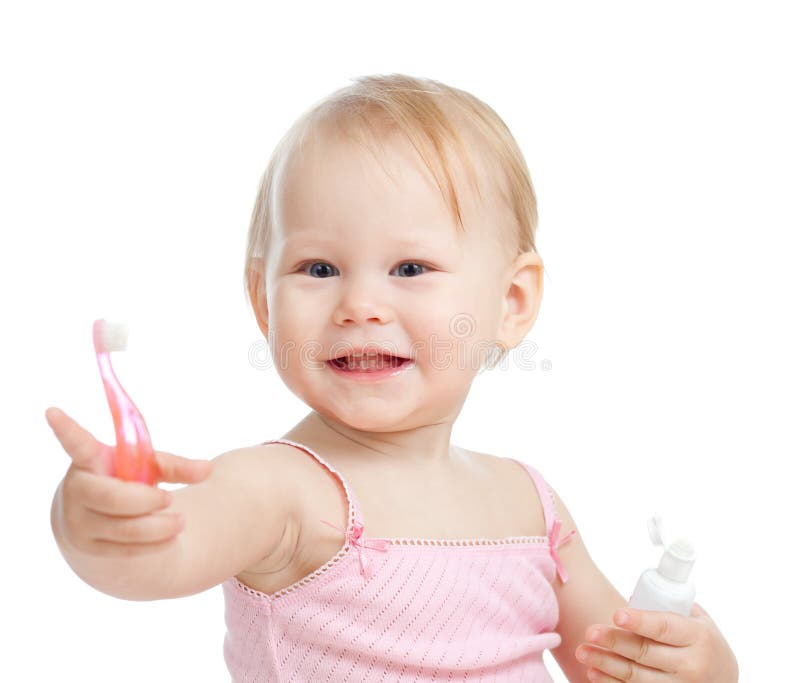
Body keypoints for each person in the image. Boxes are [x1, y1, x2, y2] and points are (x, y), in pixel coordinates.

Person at [46, 74, 738, 682]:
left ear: (511, 302)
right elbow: (163, 554)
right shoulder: (279, 488)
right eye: (319, 269)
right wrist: (97, 525)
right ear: (264, 301)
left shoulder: (532, 505)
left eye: (409, 268)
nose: (360, 306)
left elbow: (614, 668)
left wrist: (700, 667)